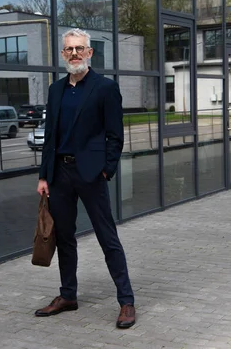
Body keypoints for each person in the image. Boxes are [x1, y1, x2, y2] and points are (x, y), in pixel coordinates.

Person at [35, 28, 135, 329]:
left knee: (108, 238)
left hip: (91, 173)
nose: (75, 53)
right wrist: (44, 175)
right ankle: (68, 295)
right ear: (63, 54)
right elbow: (50, 137)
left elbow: (115, 136)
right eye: (69, 49)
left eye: (80, 48)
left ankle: (126, 301)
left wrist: (106, 170)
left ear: (90, 52)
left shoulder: (104, 88)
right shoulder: (56, 90)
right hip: (59, 175)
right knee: (64, 238)